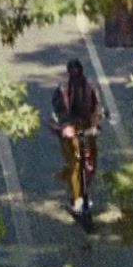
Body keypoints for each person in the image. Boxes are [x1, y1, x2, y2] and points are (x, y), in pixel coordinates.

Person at [49, 59, 100, 215]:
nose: (75, 76)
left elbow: (96, 108)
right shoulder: (62, 89)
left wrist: (95, 125)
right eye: (72, 73)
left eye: (77, 72)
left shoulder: (90, 87)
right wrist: (65, 127)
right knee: (75, 163)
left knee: (91, 163)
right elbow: (59, 111)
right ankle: (76, 197)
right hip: (69, 130)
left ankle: (85, 189)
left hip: (86, 127)